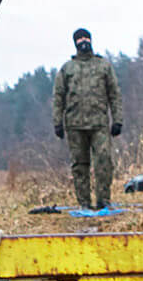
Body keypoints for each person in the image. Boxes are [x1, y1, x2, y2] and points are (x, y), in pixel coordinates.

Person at [52, 27, 124, 210]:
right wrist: (57, 122)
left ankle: (103, 201)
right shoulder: (67, 69)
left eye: (86, 38)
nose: (83, 41)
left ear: (91, 40)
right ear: (75, 43)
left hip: (99, 124)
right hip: (75, 125)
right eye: (79, 39)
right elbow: (58, 96)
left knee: (104, 160)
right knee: (79, 165)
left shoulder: (103, 66)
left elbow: (114, 94)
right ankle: (84, 203)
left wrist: (117, 120)